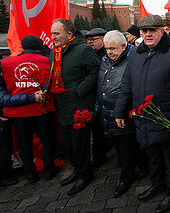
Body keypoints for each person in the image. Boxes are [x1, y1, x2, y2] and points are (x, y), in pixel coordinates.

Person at [113, 15, 170, 212]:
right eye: (144, 31)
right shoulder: (136, 53)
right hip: (144, 116)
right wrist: (120, 111)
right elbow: (127, 84)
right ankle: (157, 184)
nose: (147, 34)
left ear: (162, 31)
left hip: (165, 118)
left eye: (152, 30)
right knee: (151, 155)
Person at [49, 19, 100, 196]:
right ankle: (77, 171)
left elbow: (95, 71)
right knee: (68, 145)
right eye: (52, 33)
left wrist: (79, 90)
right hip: (62, 106)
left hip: (79, 106)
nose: (52, 36)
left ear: (69, 34)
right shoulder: (54, 51)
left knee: (80, 144)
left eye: (56, 33)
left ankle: (85, 175)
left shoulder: (83, 50)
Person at [0, 35, 57, 183]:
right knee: (46, 138)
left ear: (23, 47)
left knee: (24, 142)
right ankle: (49, 170)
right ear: (39, 46)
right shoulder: (47, 61)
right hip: (41, 109)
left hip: (19, 112)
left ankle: (30, 173)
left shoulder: (6, 63)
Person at [97, 30, 142, 197]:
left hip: (124, 114)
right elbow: (100, 85)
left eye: (113, 49)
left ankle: (126, 177)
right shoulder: (105, 60)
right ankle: (137, 167)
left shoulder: (135, 60)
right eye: (107, 48)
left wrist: (122, 112)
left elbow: (133, 90)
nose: (109, 52)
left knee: (126, 149)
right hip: (106, 112)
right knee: (118, 145)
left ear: (124, 46)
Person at [85, 27, 110, 168]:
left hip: (107, 99)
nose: (90, 42)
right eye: (88, 40)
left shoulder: (107, 55)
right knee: (97, 130)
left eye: (93, 40)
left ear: (103, 40)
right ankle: (99, 156)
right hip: (95, 99)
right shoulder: (89, 54)